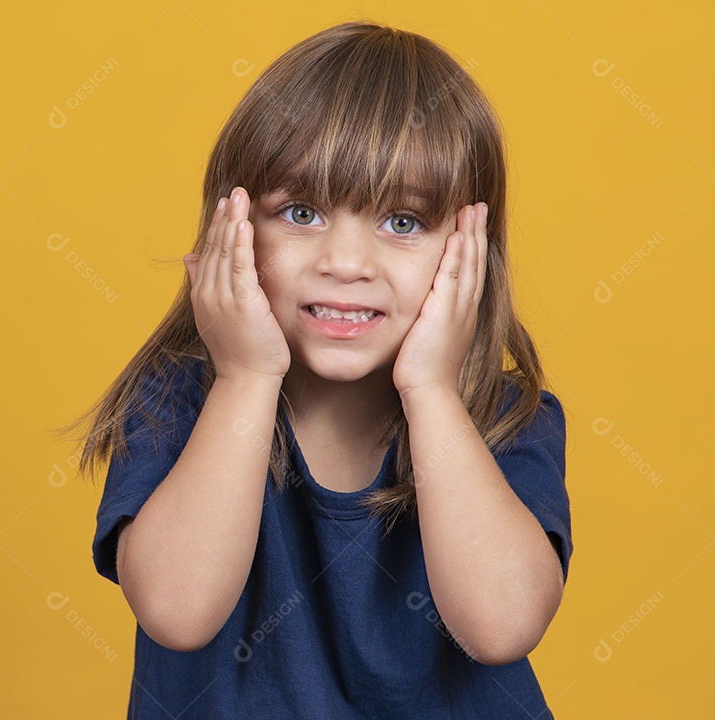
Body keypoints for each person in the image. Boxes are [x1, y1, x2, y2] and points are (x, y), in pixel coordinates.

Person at [56, 19, 573, 719]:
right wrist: (245, 378)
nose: (346, 263)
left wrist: (431, 393)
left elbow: (503, 626)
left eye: (403, 223)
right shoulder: (178, 400)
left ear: (470, 250)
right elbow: (178, 610)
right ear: (228, 230)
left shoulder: (502, 415)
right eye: (301, 212)